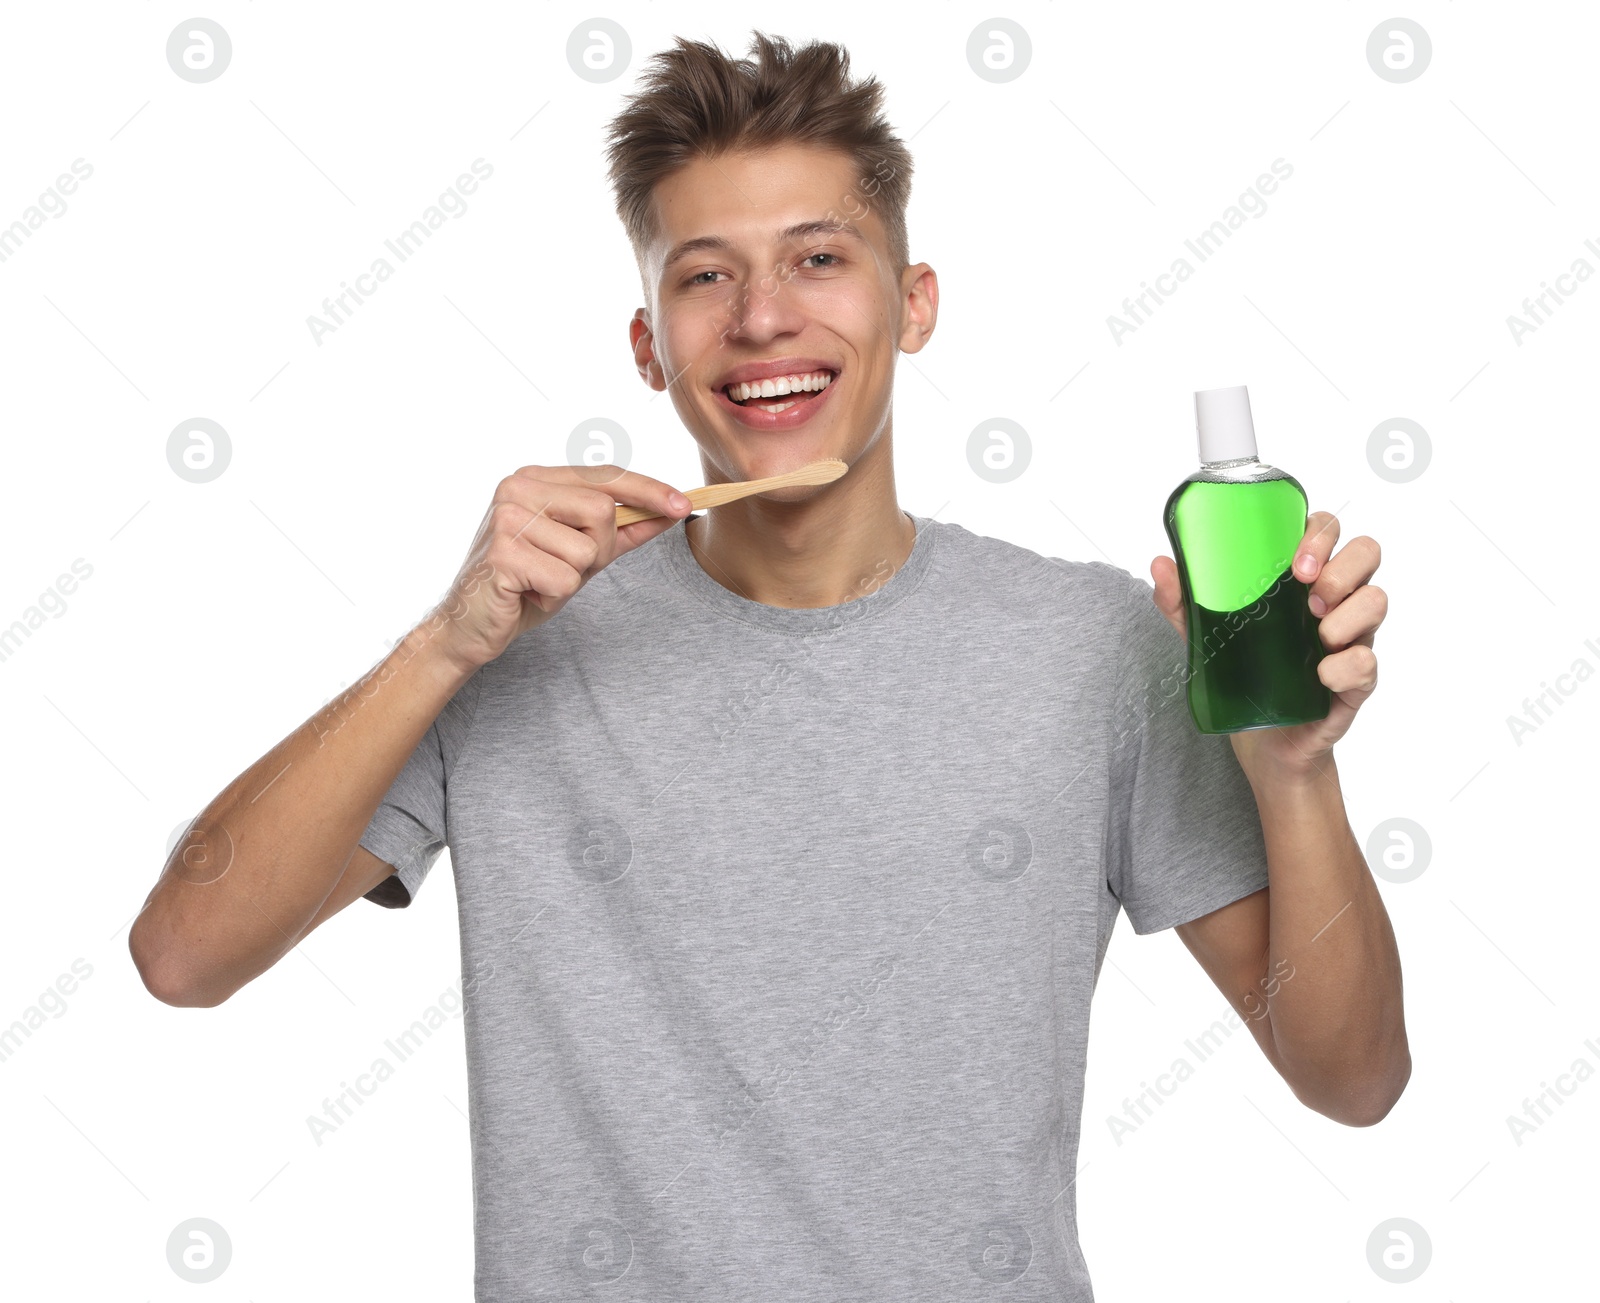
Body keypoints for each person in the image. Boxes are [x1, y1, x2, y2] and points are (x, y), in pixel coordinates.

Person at [130, 30, 1409, 1300]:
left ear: (912, 305)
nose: (761, 318)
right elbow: (183, 955)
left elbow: (1351, 1080)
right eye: (704, 277)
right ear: (648, 347)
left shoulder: (1093, 648)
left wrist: (1293, 775)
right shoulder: (515, 645)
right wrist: (443, 642)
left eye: (818, 258)